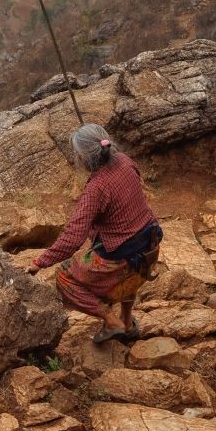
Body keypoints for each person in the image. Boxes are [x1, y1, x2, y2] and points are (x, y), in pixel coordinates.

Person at [27, 123, 162, 344]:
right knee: (129, 268)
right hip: (150, 247)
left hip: (122, 259)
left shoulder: (96, 189)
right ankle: (127, 321)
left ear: (83, 158)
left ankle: (111, 320)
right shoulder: (126, 162)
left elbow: (73, 237)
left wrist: (40, 262)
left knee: (64, 277)